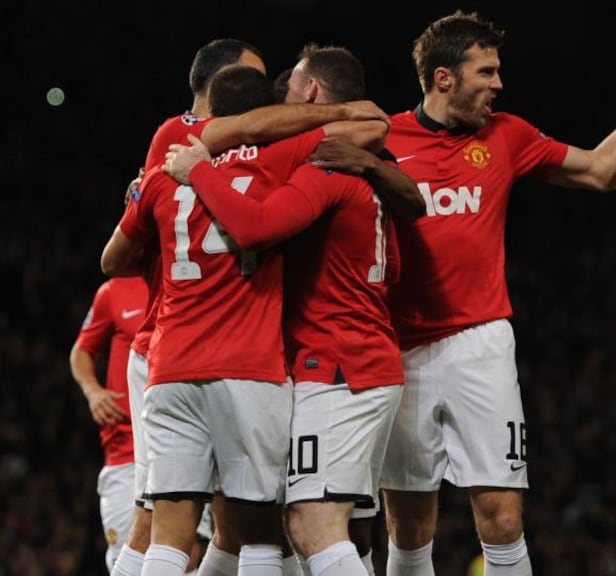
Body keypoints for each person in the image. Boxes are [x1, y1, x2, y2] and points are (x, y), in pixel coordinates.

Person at [378, 10, 616, 575]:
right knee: (409, 524)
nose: (499, 84)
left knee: (500, 518)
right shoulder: (382, 140)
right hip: (399, 349)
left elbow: (602, 170)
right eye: (487, 71)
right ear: (444, 78)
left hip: (480, 342)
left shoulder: (507, 135)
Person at [108, 38, 390, 576]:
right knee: (260, 531)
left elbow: (112, 259)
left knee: (166, 533)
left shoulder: (171, 158)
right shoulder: (281, 155)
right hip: (248, 366)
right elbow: (373, 129)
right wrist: (338, 112)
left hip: (167, 358)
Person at [70, 276, 149, 572]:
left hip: (178, 442)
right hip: (124, 449)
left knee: (189, 553)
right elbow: (81, 351)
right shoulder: (114, 291)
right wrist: (93, 391)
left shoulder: (184, 282)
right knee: (127, 556)